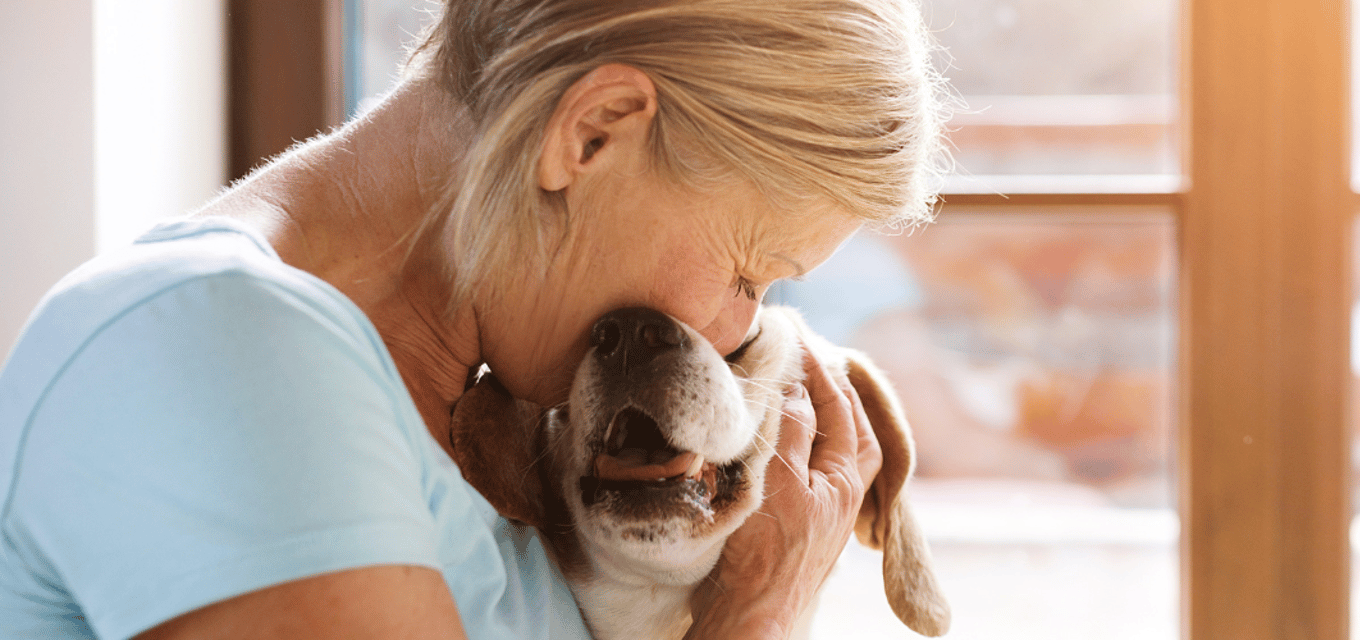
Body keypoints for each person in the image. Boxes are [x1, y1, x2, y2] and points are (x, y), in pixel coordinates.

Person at [0, 0, 951, 638]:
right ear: (592, 133)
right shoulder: (222, 347)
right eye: (750, 269)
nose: (731, 329)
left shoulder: (496, 433)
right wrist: (758, 612)